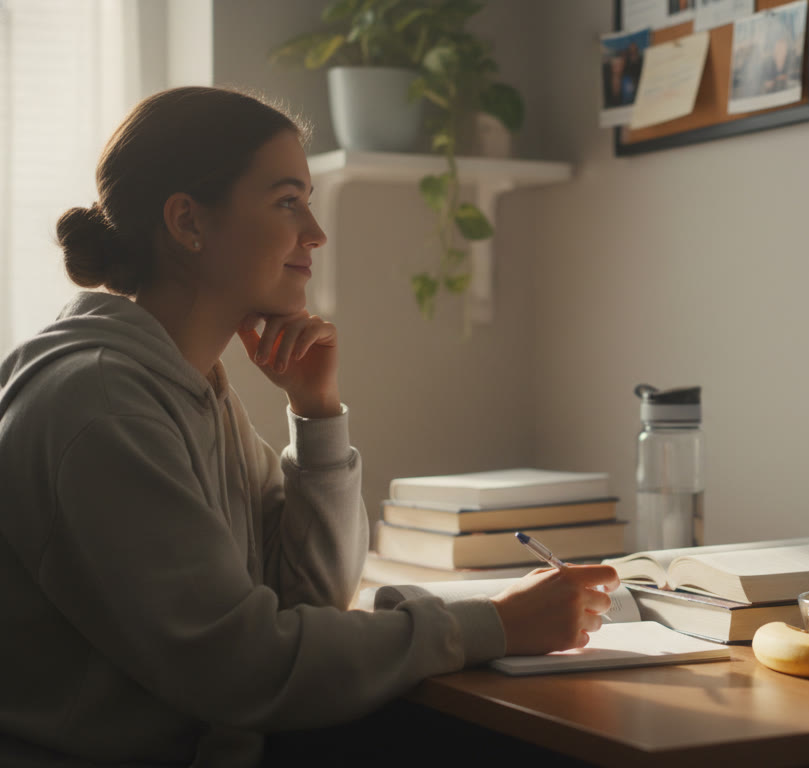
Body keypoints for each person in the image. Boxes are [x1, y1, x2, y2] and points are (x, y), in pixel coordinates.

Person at [0, 86, 619, 766]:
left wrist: (316, 415)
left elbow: (311, 599)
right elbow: (240, 668)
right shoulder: (99, 406)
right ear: (188, 223)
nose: (315, 234)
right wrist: (491, 626)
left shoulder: (190, 388)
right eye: (287, 202)